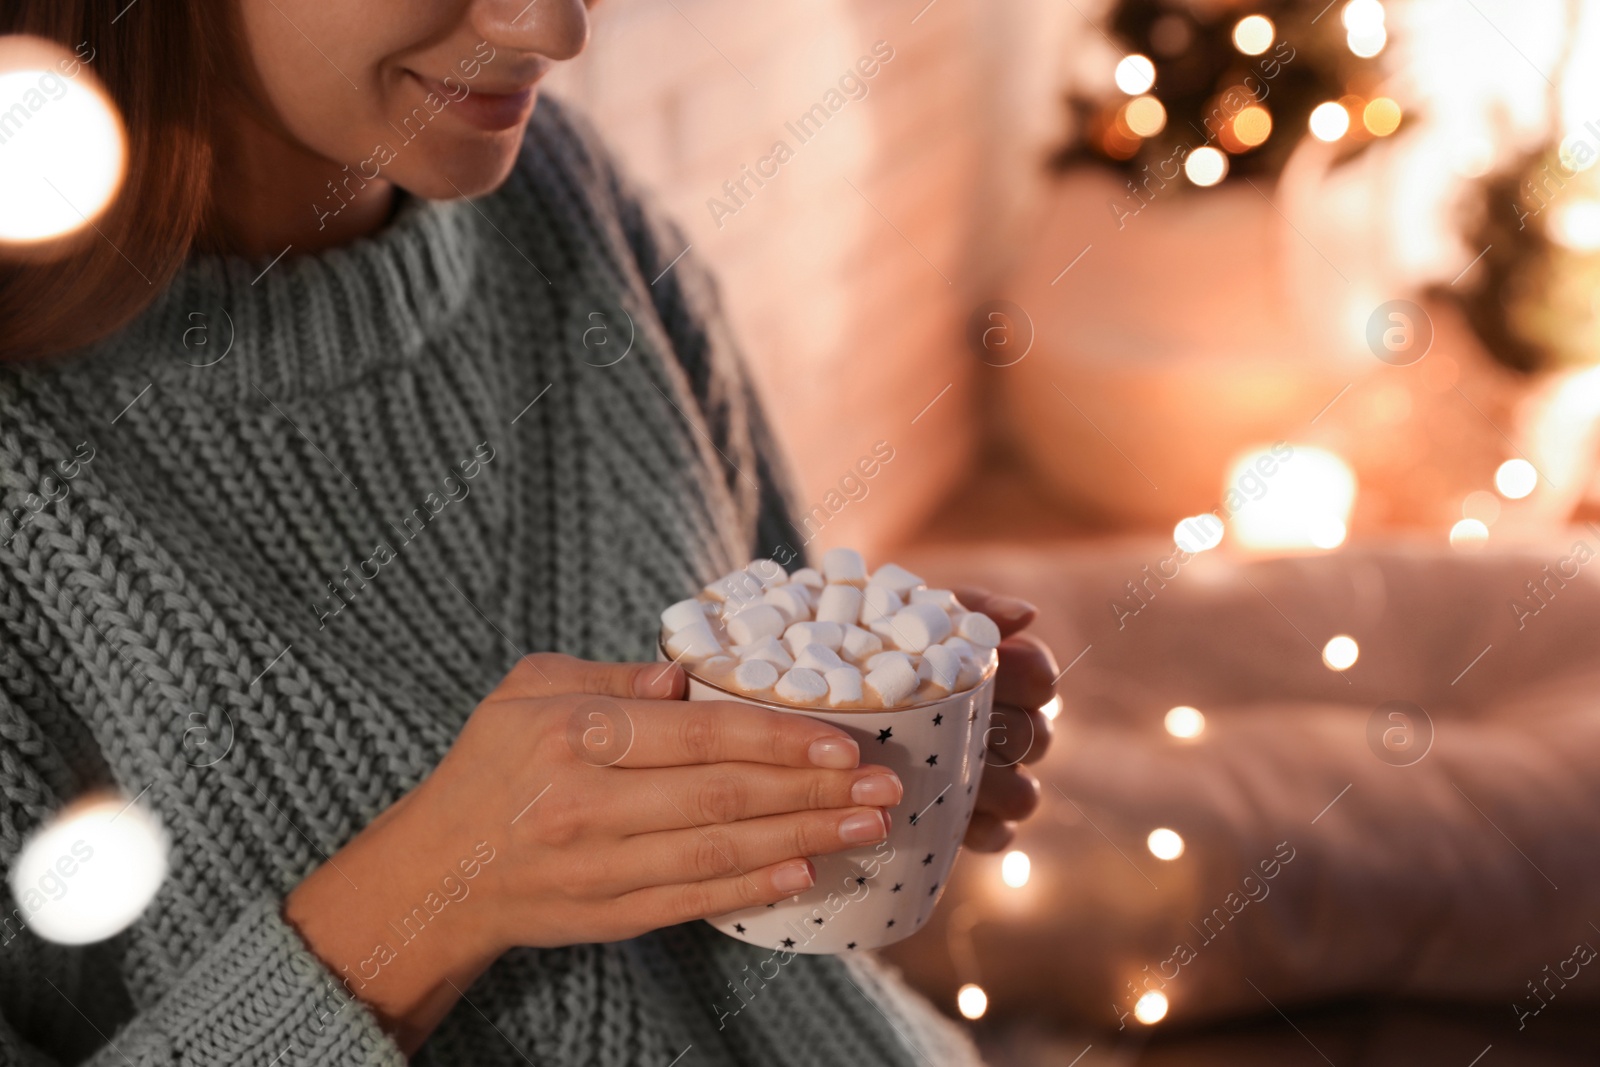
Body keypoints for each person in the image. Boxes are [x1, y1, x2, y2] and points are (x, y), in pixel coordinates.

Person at [0, 2, 1058, 1063]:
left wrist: (863, 752)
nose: (556, 30)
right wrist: (445, 884)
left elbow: (761, 621)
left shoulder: (555, 189)